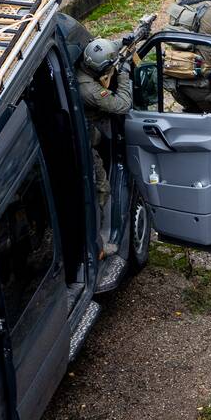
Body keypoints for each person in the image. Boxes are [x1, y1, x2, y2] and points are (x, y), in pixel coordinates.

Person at [76, 37, 133, 256]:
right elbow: (123, 104)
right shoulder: (90, 90)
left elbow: (106, 49)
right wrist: (125, 72)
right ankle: (95, 246)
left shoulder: (87, 57)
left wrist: (124, 40)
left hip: (87, 131)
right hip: (83, 142)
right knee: (101, 188)